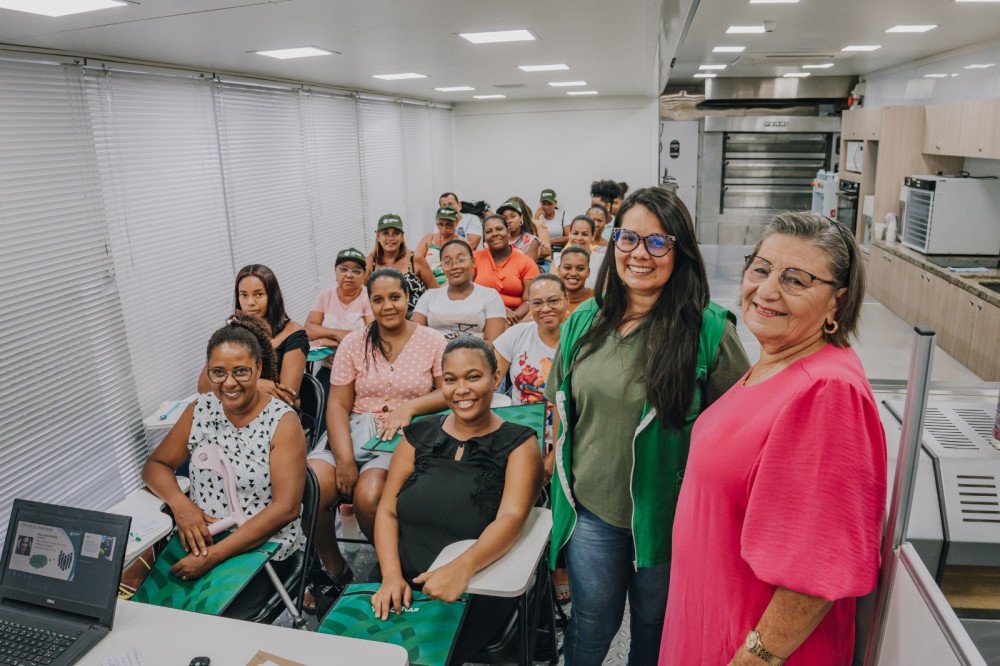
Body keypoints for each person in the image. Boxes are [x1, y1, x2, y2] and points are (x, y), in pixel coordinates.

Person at [660, 213, 886, 666]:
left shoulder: (826, 392)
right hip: (712, 620)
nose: (766, 290)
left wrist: (756, 657)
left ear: (837, 303)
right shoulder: (774, 360)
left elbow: (819, 564)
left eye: (795, 280)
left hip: (754, 646)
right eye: (761, 269)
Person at [544, 187, 750, 665]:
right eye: (629, 238)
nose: (640, 254)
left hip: (669, 521)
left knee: (655, 633)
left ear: (680, 252)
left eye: (658, 243)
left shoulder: (708, 331)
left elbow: (741, 435)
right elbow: (559, 406)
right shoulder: (585, 322)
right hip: (592, 515)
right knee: (590, 628)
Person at [371, 336, 543, 665]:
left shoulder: (519, 444)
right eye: (450, 380)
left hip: (476, 583)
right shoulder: (418, 435)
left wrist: (461, 569)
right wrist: (390, 575)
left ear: (495, 379)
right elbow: (388, 511)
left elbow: (511, 518)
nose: (460, 390)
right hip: (399, 579)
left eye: (473, 377)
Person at [145, 314, 306, 620]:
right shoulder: (202, 409)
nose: (229, 383)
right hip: (205, 540)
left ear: (259, 369)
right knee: (153, 616)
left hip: (262, 549)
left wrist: (213, 558)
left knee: (209, 625)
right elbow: (156, 466)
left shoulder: (282, 423)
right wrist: (182, 506)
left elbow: (286, 509)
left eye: (241, 372)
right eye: (218, 372)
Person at [307, 268, 447, 610]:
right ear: (370, 303)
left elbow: (448, 393)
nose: (387, 306)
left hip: (400, 435)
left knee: (369, 494)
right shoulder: (355, 342)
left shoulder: (431, 340)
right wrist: (343, 460)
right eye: (379, 299)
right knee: (313, 483)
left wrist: (412, 406)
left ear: (407, 299)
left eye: (395, 298)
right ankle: (335, 567)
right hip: (354, 431)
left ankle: (390, 565)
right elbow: (338, 406)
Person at [198, 264, 308, 405]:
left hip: (280, 415)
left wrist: (238, 384)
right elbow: (204, 386)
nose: (250, 302)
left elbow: (287, 396)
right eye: (243, 295)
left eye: (258, 294)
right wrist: (257, 383)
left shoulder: (294, 333)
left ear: (272, 296)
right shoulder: (232, 331)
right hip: (238, 410)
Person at [305, 247, 374, 395]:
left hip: (361, 368)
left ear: (364, 275)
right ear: (335, 271)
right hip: (329, 367)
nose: (349, 275)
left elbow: (371, 333)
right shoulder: (326, 295)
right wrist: (339, 335)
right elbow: (309, 328)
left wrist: (326, 339)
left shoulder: (368, 296)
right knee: (316, 401)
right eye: (344, 269)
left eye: (356, 271)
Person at [411, 238, 507, 343]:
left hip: (476, 357)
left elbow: (493, 342)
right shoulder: (429, 297)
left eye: (461, 259)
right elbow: (417, 335)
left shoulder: (489, 296)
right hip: (435, 356)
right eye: (447, 262)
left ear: (473, 262)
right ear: (442, 267)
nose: (455, 266)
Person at [365, 213, 438, 318]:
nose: (391, 238)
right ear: (378, 236)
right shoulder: (370, 262)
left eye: (396, 233)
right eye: (385, 233)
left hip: (416, 320)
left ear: (402, 236)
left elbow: (435, 292)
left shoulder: (415, 259)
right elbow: (361, 298)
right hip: (383, 321)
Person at [473, 214, 541, 325]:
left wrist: (512, 320)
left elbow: (530, 300)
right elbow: (466, 292)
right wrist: (499, 310)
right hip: (479, 314)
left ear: (508, 233)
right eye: (489, 231)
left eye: (499, 229)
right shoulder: (474, 258)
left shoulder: (526, 262)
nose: (494, 234)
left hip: (515, 318)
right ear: (484, 237)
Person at [415, 206, 461, 285]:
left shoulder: (461, 243)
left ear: (456, 223)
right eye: (440, 224)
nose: (444, 228)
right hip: (427, 282)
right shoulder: (429, 238)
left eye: (448, 225)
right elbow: (415, 261)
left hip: (451, 284)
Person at [557, 246, 594, 313]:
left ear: (588, 272)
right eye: (567, 268)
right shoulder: (548, 299)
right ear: (559, 270)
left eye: (580, 269)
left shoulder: (598, 298)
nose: (573, 273)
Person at [534, 188, 568, 253]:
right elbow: (532, 237)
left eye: (549, 204)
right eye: (544, 204)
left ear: (555, 204)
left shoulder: (563, 215)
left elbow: (568, 237)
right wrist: (536, 217)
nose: (546, 207)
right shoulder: (538, 216)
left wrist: (549, 242)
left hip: (560, 251)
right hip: (542, 252)